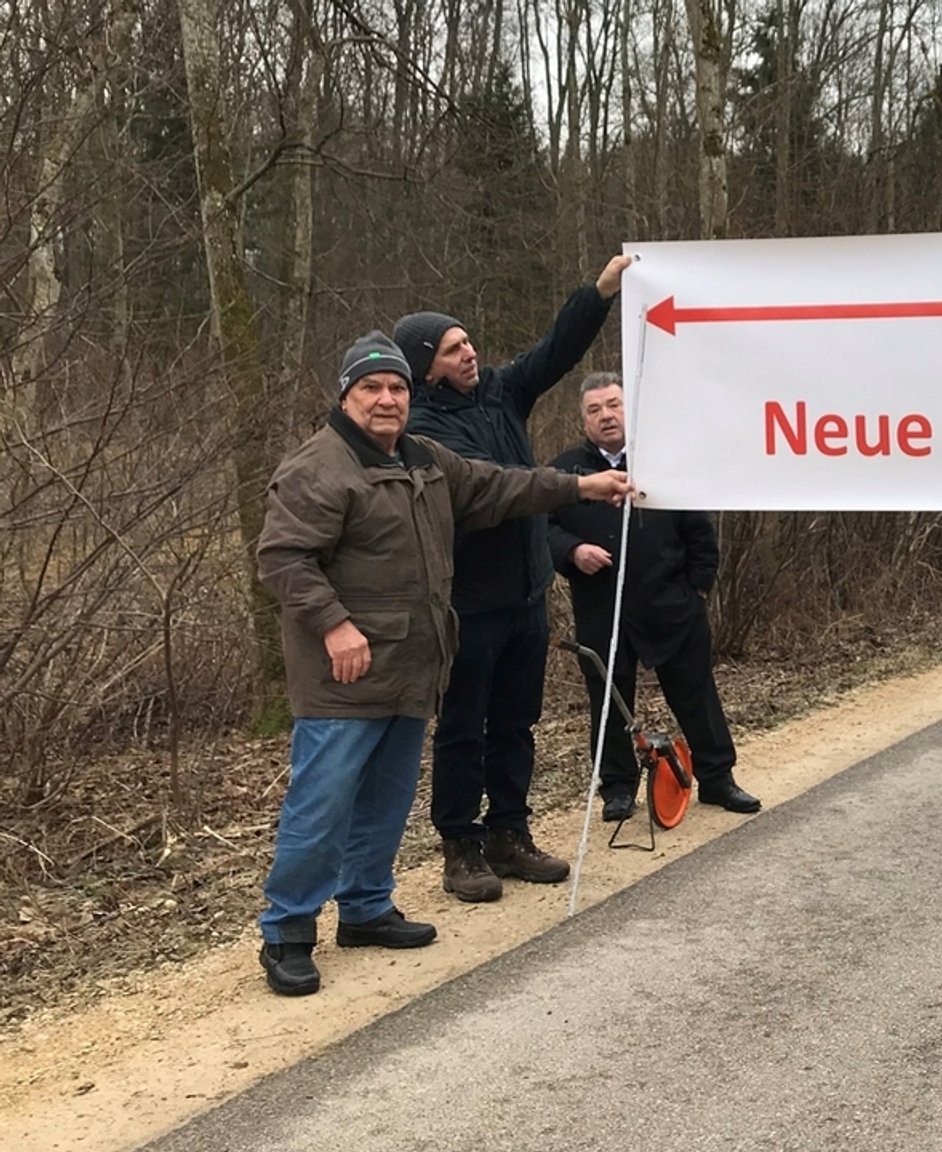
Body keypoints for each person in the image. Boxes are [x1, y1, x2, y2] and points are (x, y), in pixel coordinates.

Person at [254, 332, 630, 996]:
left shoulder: (424, 458)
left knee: (387, 798)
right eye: (370, 388)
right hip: (343, 675)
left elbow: (500, 486)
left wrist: (581, 486)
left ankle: (367, 907)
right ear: (345, 395)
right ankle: (287, 929)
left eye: (396, 387)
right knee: (322, 803)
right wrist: (334, 625)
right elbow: (284, 558)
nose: (386, 399)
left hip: (412, 665)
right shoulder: (319, 467)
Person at [398, 254, 634, 903]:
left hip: (528, 597)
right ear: (425, 366)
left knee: (515, 723)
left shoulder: (502, 392)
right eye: (452, 350)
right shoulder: (420, 431)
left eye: (468, 341)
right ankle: (460, 845)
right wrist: (575, 487)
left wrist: (599, 293)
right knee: (462, 727)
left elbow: (554, 352)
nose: (469, 353)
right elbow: (499, 491)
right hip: (470, 605)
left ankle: (509, 832)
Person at [548, 373, 760, 820]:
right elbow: (541, 530)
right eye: (595, 409)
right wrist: (572, 551)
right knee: (608, 703)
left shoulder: (665, 462)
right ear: (582, 419)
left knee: (696, 695)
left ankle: (718, 779)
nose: (606, 415)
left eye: (613, 405)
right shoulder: (564, 472)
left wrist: (696, 590)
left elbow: (701, 535)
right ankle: (618, 790)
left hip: (672, 606)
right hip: (602, 610)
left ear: (629, 408)